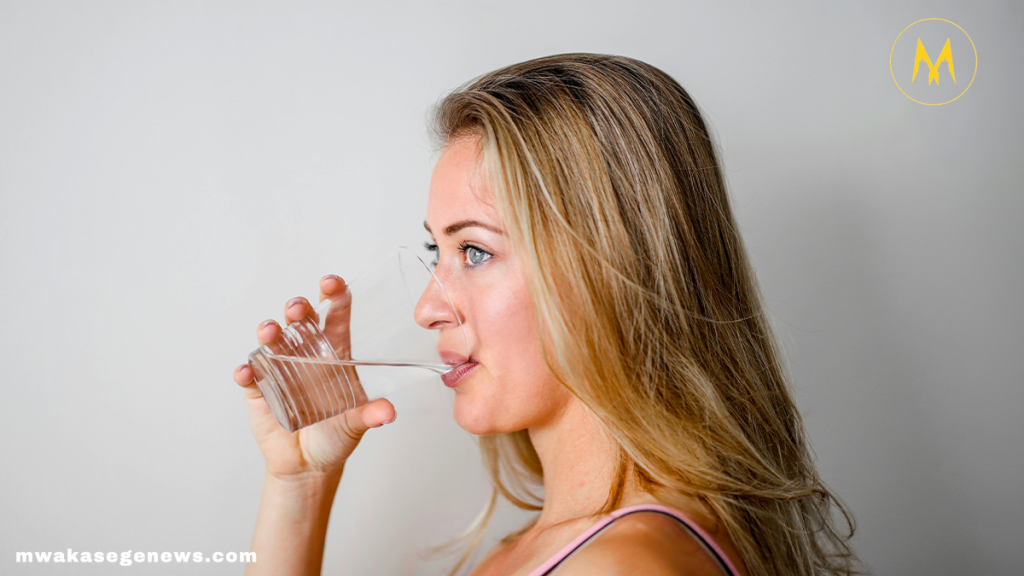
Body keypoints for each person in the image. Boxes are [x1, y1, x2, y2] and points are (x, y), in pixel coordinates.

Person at [232, 53, 861, 576]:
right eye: (436, 251)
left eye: (474, 250)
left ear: (607, 268)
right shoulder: (542, 552)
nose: (427, 308)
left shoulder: (621, 567)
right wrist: (302, 484)